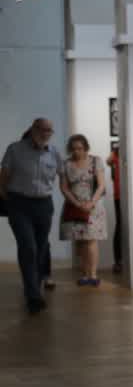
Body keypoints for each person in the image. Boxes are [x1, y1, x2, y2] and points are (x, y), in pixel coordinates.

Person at [1, 118, 63, 313]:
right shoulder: (15, 149)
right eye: (43, 129)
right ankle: (33, 295)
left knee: (41, 247)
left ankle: (35, 286)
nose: (46, 133)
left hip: (44, 204)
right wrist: (7, 199)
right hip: (19, 204)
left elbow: (63, 177)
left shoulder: (54, 153)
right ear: (33, 129)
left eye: (49, 130)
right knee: (28, 246)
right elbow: (4, 176)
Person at [59, 135, 107, 287]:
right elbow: (64, 187)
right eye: (73, 149)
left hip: (93, 206)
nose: (76, 151)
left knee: (91, 239)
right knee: (80, 241)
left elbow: (101, 185)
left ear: (86, 147)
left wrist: (91, 202)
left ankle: (93, 275)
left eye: (79, 148)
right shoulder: (66, 164)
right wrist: (77, 204)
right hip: (74, 205)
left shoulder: (96, 161)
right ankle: (85, 274)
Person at [107, 141, 125, 274]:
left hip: (130, 197)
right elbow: (108, 161)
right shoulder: (116, 153)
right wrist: (117, 149)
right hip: (119, 196)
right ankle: (118, 261)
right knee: (120, 227)